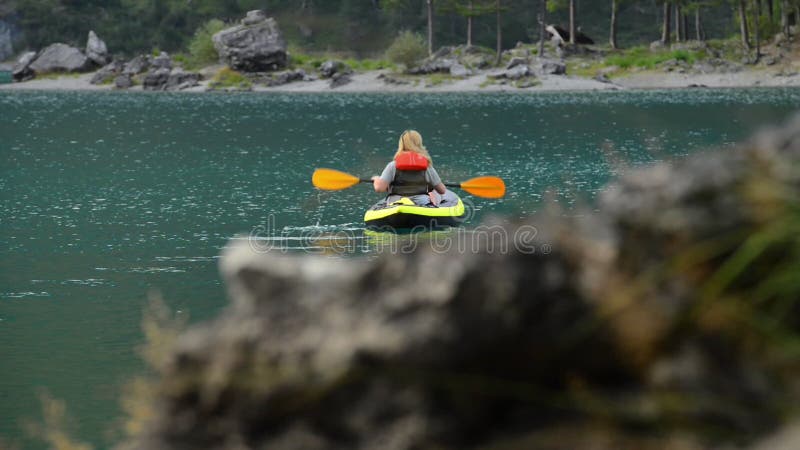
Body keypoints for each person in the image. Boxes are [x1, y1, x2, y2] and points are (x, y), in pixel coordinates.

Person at [372, 130, 447, 206]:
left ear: (401, 144)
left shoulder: (393, 165)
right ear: (419, 144)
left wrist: (377, 179)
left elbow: (379, 188)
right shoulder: (426, 166)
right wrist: (433, 184)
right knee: (432, 195)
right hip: (420, 203)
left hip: (395, 203)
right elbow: (442, 190)